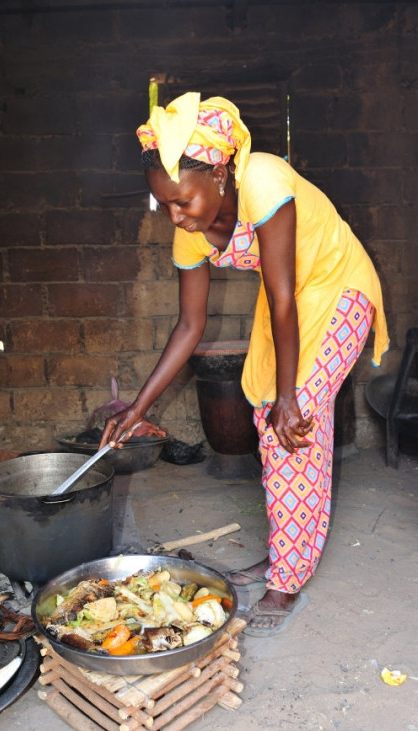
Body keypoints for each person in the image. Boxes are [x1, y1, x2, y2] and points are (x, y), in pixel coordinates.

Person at [99, 92, 389, 636]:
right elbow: (190, 325)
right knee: (263, 412)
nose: (176, 215)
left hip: (337, 287)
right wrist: (138, 407)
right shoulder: (188, 231)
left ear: (221, 175)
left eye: (183, 201)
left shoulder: (264, 180)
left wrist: (290, 398)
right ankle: (283, 553)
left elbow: (284, 297)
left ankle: (287, 580)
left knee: (293, 423)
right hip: (289, 300)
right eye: (164, 204)